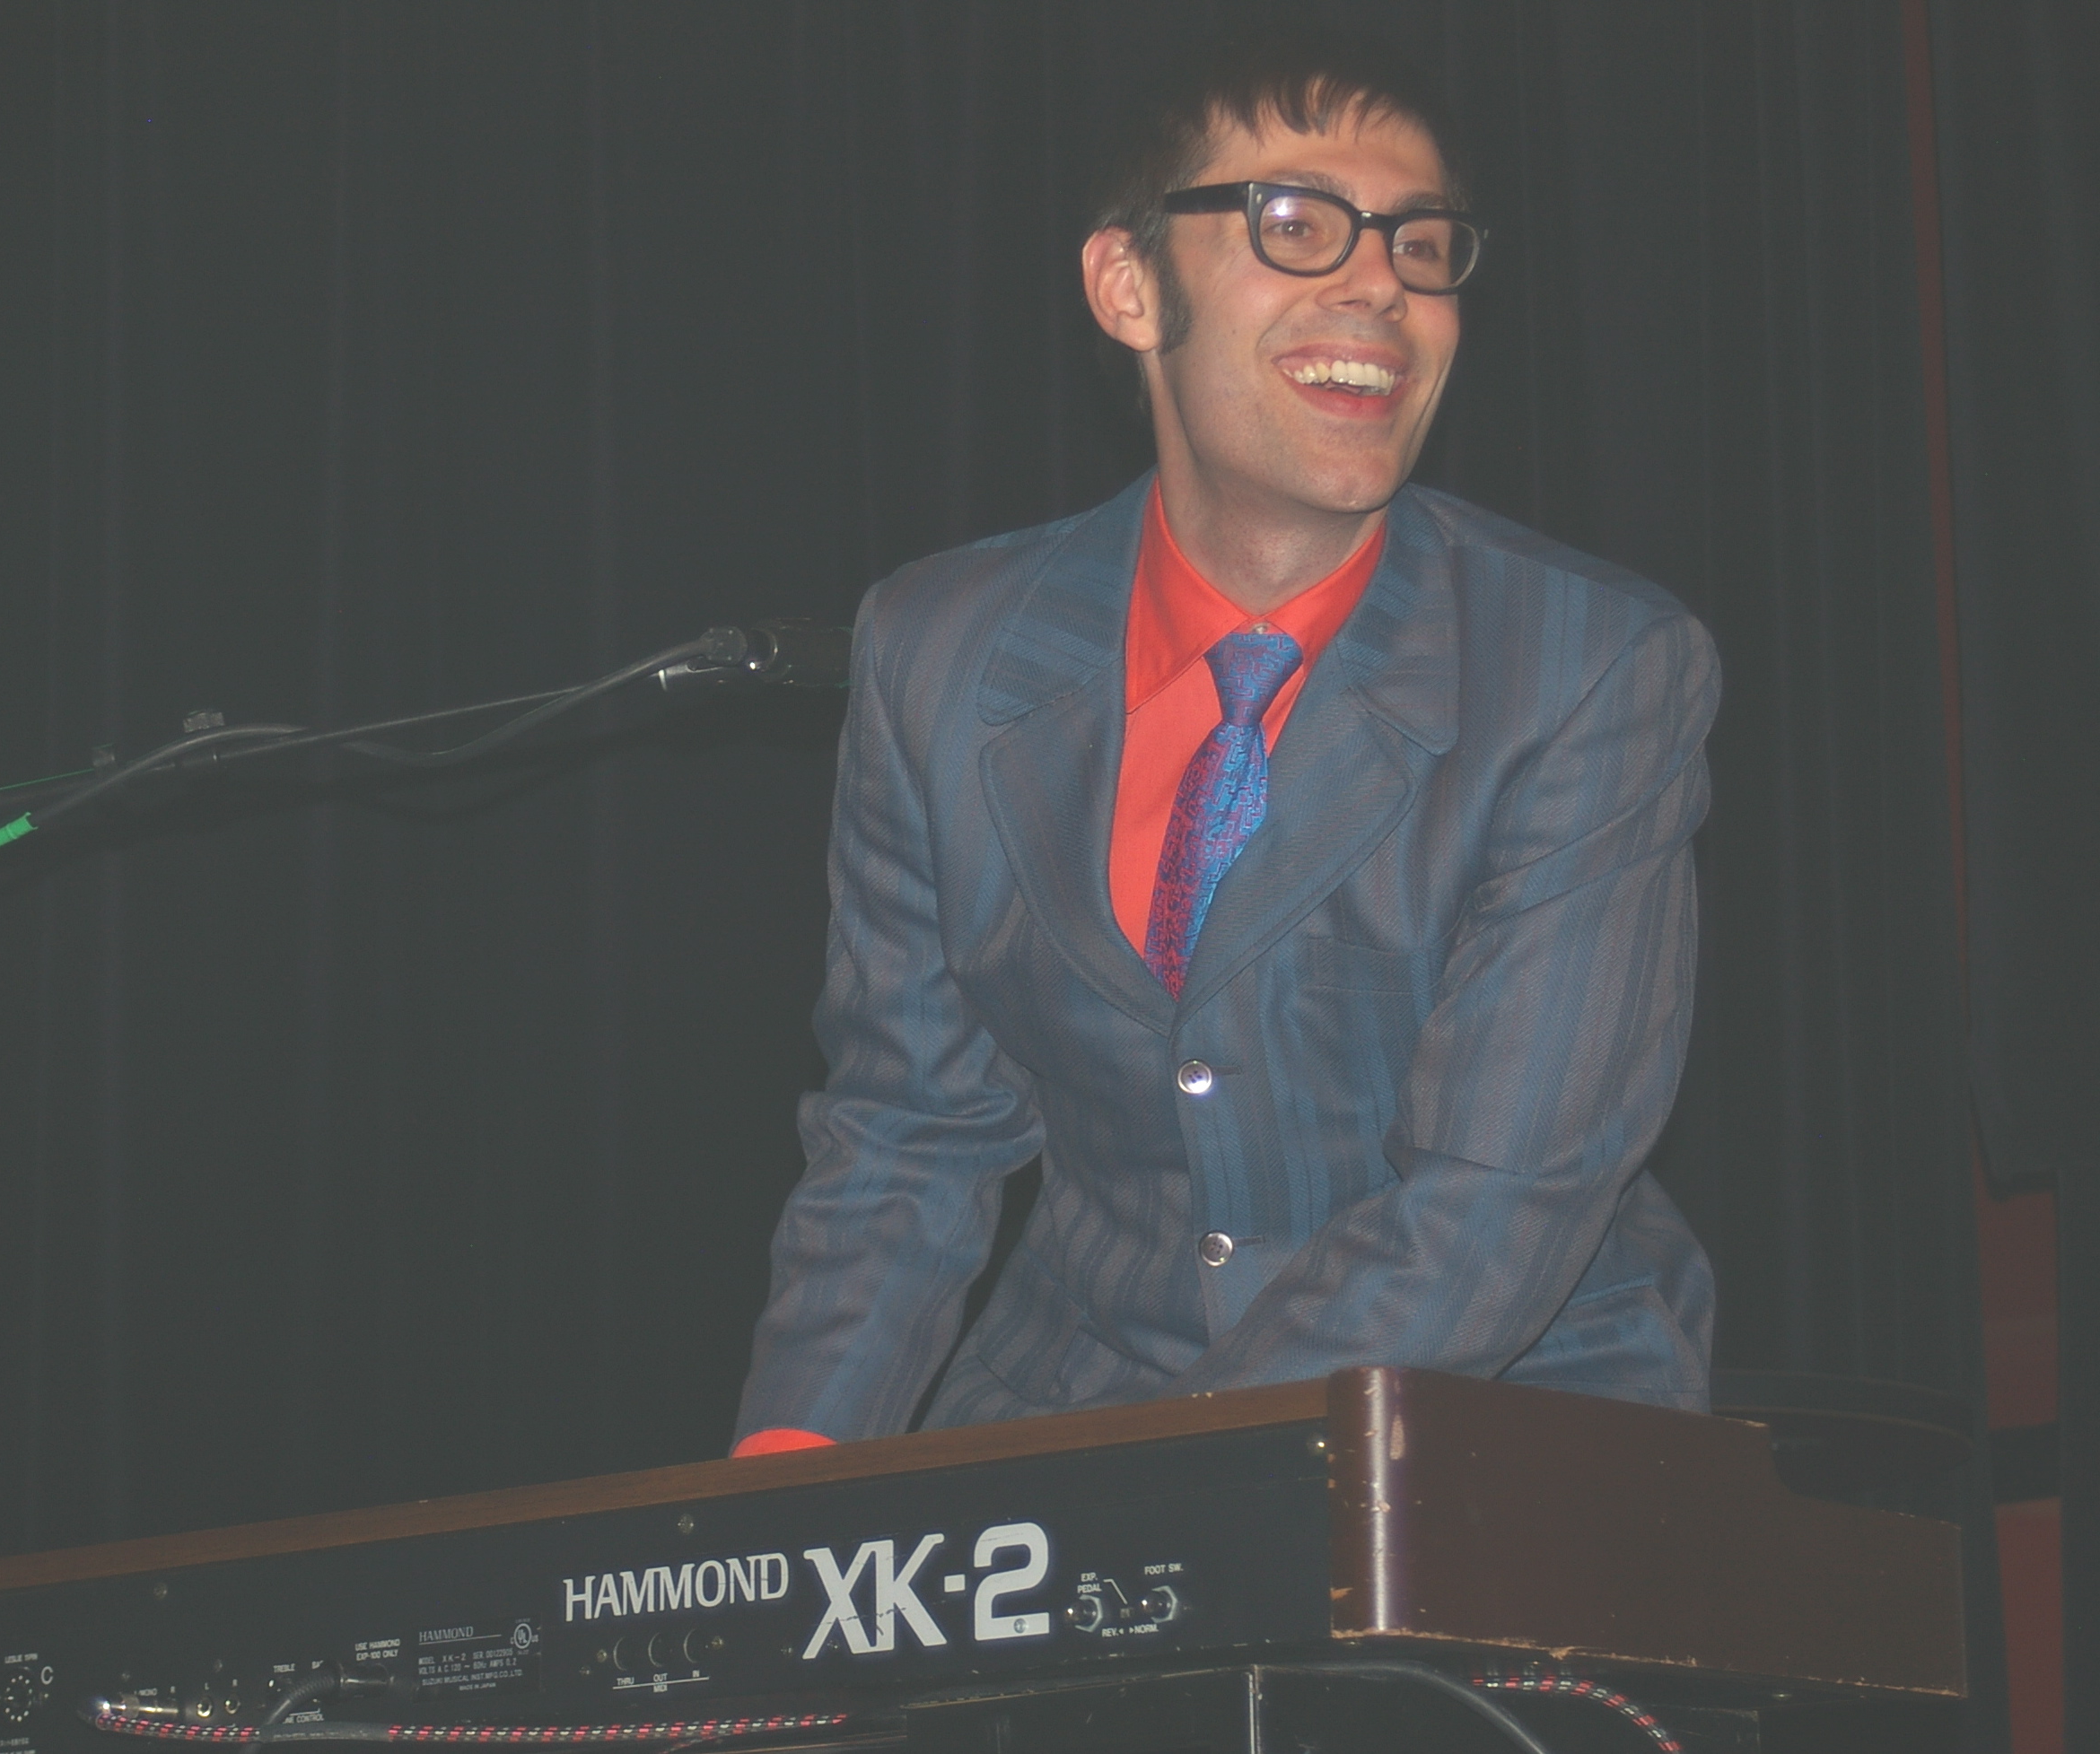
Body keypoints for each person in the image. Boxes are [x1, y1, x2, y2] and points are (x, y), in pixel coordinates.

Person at [732, 25, 1716, 1454]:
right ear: (1128, 286)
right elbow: (907, 1133)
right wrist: (787, 1486)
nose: (1378, 284)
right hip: (1069, 1403)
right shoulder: (937, 649)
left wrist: (1164, 1491)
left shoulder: (1585, 667)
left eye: (1419, 244)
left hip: (1494, 1423)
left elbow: (1495, 1204)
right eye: (1297, 226)